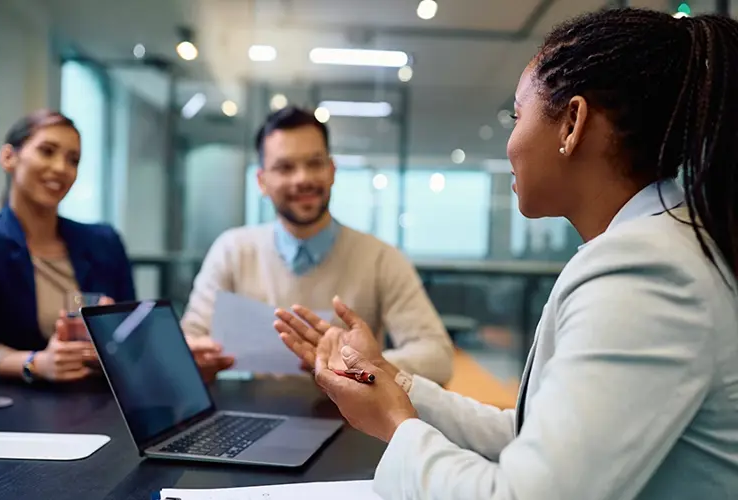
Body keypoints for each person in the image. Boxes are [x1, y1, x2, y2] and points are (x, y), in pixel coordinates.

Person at [274, 8, 738, 499]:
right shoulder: (653, 248)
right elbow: (527, 433)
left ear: (572, 123)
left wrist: (394, 422)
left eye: (518, 116)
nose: (509, 142)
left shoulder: (648, 272)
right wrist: (389, 379)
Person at [181, 106, 454, 384]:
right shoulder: (232, 251)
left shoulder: (381, 258)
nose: (303, 179)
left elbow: (437, 358)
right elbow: (189, 341)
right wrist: (195, 360)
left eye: (314, 163)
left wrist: (359, 365)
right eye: (285, 167)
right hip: (253, 414)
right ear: (262, 182)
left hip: (352, 421)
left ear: (332, 170)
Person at [0, 110, 136, 383]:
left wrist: (110, 330)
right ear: (9, 157)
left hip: (100, 397)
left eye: (73, 160)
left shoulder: (104, 241)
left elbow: (132, 336)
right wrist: (36, 363)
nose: (60, 168)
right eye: (47, 151)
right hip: (16, 403)